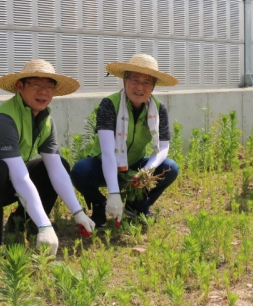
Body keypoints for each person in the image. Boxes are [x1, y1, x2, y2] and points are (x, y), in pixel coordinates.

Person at [0, 59, 95, 256]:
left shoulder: (45, 121)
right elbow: (19, 176)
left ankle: (23, 224)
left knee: (57, 163)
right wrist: (46, 225)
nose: (43, 92)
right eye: (37, 84)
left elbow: (56, 170)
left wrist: (78, 213)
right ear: (20, 86)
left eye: (49, 86)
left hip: (4, 183)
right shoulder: (3, 120)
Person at [70, 54, 180, 227]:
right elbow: (107, 151)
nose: (140, 87)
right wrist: (113, 192)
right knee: (80, 171)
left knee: (170, 167)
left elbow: (163, 147)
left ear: (153, 87)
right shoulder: (109, 105)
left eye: (147, 83)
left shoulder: (158, 109)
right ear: (124, 81)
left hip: (135, 166)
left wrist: (146, 171)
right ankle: (100, 205)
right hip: (103, 165)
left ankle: (136, 206)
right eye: (135, 80)